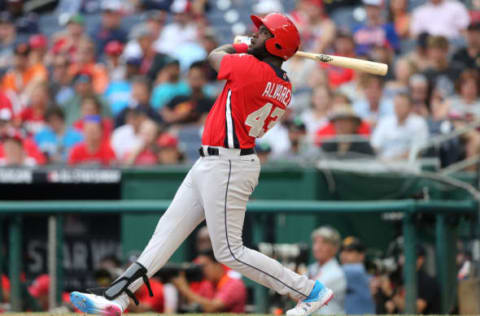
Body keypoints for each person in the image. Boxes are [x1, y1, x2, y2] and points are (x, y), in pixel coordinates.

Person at [70, 13, 333, 316]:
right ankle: (118, 298)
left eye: (263, 32)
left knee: (230, 251)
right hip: (216, 162)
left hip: (229, 164)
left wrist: (243, 48)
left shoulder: (250, 68)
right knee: (165, 233)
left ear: (275, 45)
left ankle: (309, 291)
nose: (255, 34)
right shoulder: (283, 84)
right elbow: (248, 63)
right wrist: (253, 48)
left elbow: (214, 55)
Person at [371, 92, 429, 160]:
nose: (398, 108)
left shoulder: (419, 123)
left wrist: (392, 160)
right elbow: (375, 145)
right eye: (396, 105)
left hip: (408, 166)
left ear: (410, 107)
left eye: (402, 105)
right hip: (382, 163)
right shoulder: (385, 122)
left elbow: (418, 151)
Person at [307, 226, 346, 315]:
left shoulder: (337, 273)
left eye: (324, 243)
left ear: (335, 248)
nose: (317, 247)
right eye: (315, 242)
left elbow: (308, 294)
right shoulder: (311, 268)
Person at [339, 237, 375, 315]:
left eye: (349, 251)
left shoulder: (357, 271)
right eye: (342, 251)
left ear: (361, 255)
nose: (343, 254)